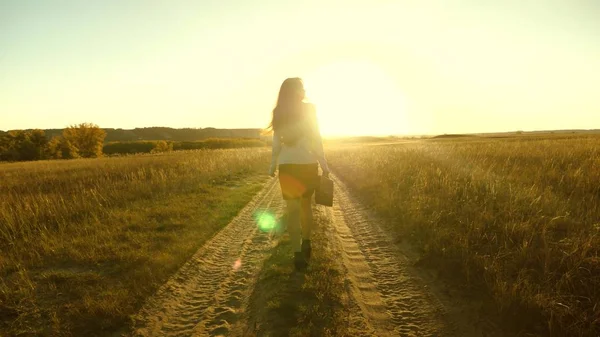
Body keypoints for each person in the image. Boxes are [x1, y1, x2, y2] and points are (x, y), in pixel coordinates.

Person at [268, 77, 330, 270]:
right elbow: (316, 137)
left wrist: (272, 166)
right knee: (305, 206)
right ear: (296, 91)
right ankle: (306, 242)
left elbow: (277, 142)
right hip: (307, 165)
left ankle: (297, 254)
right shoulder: (310, 109)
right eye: (302, 87)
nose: (304, 90)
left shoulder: (279, 112)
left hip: (288, 167)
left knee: (292, 211)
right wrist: (324, 164)